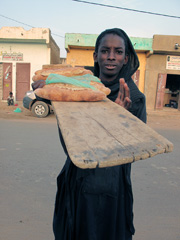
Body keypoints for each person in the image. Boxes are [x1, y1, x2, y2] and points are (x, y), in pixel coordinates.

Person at [33, 28, 146, 240]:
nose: (111, 56)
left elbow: (134, 151)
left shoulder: (135, 98)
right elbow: (71, 143)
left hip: (112, 188)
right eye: (105, 50)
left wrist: (117, 120)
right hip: (76, 181)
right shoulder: (78, 89)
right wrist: (50, 87)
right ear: (96, 56)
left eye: (118, 51)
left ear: (125, 58)